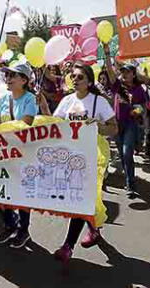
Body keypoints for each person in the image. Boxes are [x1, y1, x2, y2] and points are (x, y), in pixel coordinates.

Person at [50, 62, 118, 264]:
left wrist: (98, 126)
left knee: (81, 197)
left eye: (80, 77)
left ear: (89, 81)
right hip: (70, 156)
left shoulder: (99, 102)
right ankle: (94, 229)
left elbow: (114, 128)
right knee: (84, 199)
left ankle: (67, 246)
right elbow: (55, 125)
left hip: (93, 156)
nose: (75, 80)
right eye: (73, 76)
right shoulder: (67, 101)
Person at [0, 64, 39, 248]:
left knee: (21, 194)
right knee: (0, 191)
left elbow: (26, 124)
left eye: (13, 75)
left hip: (22, 153)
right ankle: (10, 224)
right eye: (7, 75)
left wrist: (5, 130)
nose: (8, 78)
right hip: (3, 153)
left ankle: (23, 230)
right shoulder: (3, 99)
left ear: (24, 80)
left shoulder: (30, 99)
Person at [103, 47, 147, 198]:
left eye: (128, 72)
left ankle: (131, 184)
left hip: (130, 125)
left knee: (127, 152)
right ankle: (129, 178)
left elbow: (143, 107)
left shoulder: (139, 89)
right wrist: (107, 54)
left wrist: (137, 111)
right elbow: (109, 70)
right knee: (122, 154)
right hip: (116, 125)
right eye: (123, 72)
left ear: (134, 74)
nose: (124, 74)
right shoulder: (117, 86)